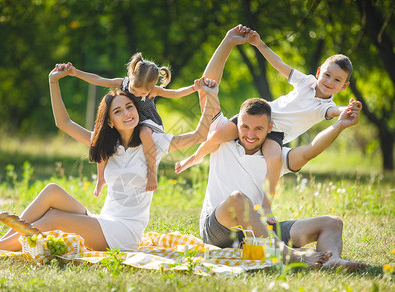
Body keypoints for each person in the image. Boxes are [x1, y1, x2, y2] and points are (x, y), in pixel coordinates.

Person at [0, 63, 220, 257]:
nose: (127, 113)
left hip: (123, 233)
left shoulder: (154, 142)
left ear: (137, 108)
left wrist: (210, 96)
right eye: (118, 111)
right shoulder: (108, 146)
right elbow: (63, 123)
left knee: (53, 218)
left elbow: (199, 135)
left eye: (129, 107)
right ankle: (14, 238)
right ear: (110, 121)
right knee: (52, 191)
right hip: (104, 220)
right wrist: (53, 82)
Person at [188, 25, 365, 268]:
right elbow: (208, 87)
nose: (250, 134)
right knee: (238, 199)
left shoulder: (276, 154)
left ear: (270, 128)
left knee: (332, 222)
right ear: (237, 122)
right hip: (219, 232)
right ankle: (290, 256)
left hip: (259, 237)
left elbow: (311, 150)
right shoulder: (222, 138)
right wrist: (228, 41)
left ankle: (331, 261)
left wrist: (340, 125)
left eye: (259, 129)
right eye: (245, 126)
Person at [176, 25, 355, 199]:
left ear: (344, 86)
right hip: (260, 115)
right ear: (319, 72)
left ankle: (267, 205)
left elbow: (334, 111)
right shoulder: (305, 82)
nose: (330, 81)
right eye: (327, 75)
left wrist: (345, 110)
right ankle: (196, 157)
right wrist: (259, 44)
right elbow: (279, 64)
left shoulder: (324, 107)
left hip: (276, 134)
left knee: (274, 161)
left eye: (337, 80)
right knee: (216, 135)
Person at [59, 53, 201, 196]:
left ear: (152, 87)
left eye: (143, 93)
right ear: (131, 77)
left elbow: (175, 93)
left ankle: (152, 172)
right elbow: (98, 79)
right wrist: (75, 72)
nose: (138, 94)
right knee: (103, 135)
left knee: (144, 133)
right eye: (134, 90)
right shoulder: (123, 83)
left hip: (148, 122)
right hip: (129, 120)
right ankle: (101, 178)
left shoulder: (154, 90)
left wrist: (194, 88)